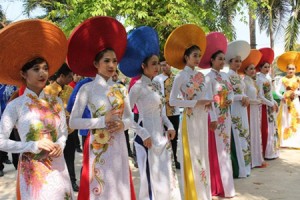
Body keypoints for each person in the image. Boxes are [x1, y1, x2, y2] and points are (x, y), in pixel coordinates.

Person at [0, 19, 73, 199]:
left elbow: (64, 132)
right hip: (34, 172)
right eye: (36, 69)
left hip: (58, 167)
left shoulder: (55, 101)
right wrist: (32, 145)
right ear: (23, 74)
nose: (42, 73)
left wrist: (60, 145)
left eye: (45, 68)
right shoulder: (16, 105)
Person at [68, 16, 135, 199]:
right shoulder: (86, 89)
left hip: (119, 144)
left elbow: (130, 118)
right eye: (106, 61)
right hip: (98, 145)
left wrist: (123, 125)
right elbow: (73, 122)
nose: (112, 65)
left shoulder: (121, 89)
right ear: (96, 64)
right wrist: (101, 120)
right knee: (99, 187)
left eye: (114, 61)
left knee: (119, 186)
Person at [119, 26, 181, 200]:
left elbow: (161, 111)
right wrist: (143, 133)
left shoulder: (156, 85)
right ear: (143, 66)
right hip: (146, 140)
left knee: (165, 176)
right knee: (151, 177)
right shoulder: (137, 87)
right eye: (153, 64)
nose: (158, 67)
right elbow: (126, 115)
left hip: (162, 138)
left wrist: (169, 126)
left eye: (158, 63)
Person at [165, 25, 214, 200]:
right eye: (194, 56)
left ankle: (204, 193)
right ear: (186, 57)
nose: (197, 59)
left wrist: (210, 109)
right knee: (193, 155)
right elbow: (172, 101)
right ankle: (194, 194)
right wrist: (194, 102)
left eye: (199, 56)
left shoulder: (202, 76)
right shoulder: (180, 77)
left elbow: (208, 97)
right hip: (191, 118)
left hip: (203, 118)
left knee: (203, 153)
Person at [205, 43, 236, 197]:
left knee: (225, 149)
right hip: (215, 117)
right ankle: (218, 186)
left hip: (226, 116)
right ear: (212, 60)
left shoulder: (224, 76)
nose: (222, 62)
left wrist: (229, 99)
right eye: (219, 59)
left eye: (223, 59)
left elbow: (230, 92)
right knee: (216, 149)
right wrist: (213, 118)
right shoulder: (208, 77)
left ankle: (227, 185)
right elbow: (208, 100)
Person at [44, 63, 79, 191]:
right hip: (54, 133)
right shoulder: (48, 91)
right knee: (56, 159)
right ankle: (58, 185)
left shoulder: (70, 90)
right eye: (69, 77)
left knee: (70, 158)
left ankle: (72, 182)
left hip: (70, 131)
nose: (71, 79)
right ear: (62, 76)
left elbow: (74, 107)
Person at [226, 41, 251, 178]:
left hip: (242, 109)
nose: (239, 64)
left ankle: (245, 167)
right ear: (230, 62)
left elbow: (242, 92)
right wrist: (241, 96)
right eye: (236, 61)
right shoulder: (228, 76)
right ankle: (238, 168)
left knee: (244, 136)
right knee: (237, 134)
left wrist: (245, 97)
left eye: (240, 61)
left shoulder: (239, 78)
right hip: (234, 109)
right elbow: (227, 95)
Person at [153, 58, 181, 169]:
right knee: (163, 137)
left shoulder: (176, 78)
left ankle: (174, 158)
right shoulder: (157, 79)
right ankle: (164, 160)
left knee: (174, 137)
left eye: (167, 64)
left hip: (175, 112)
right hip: (162, 113)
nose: (165, 67)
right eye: (163, 65)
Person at [242, 49, 267, 168]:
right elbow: (244, 98)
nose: (253, 70)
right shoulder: (244, 82)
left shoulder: (253, 82)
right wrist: (256, 101)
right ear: (245, 71)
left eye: (253, 68)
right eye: (250, 69)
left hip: (255, 110)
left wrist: (258, 101)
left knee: (257, 134)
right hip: (249, 110)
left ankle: (257, 159)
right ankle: (251, 160)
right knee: (251, 133)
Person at [256, 48, 279, 159]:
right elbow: (260, 95)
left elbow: (270, 93)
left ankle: (272, 151)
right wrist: (270, 103)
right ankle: (266, 152)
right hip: (265, 108)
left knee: (272, 128)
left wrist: (274, 101)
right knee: (266, 128)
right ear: (260, 68)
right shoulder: (259, 79)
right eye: (265, 67)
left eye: (268, 66)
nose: (267, 68)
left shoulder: (268, 78)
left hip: (270, 105)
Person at [276, 51, 300, 149]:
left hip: (295, 102)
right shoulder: (282, 79)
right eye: (289, 68)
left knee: (295, 119)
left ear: (296, 69)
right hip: (285, 102)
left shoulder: (298, 79)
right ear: (286, 69)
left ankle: (295, 142)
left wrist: (296, 93)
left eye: (292, 69)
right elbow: (277, 91)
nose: (291, 70)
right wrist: (282, 97)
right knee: (285, 119)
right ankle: (285, 142)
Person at [0, 84, 17, 176]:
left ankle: (18, 165)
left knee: (15, 143)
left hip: (14, 121)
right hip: (1, 119)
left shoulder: (14, 86)